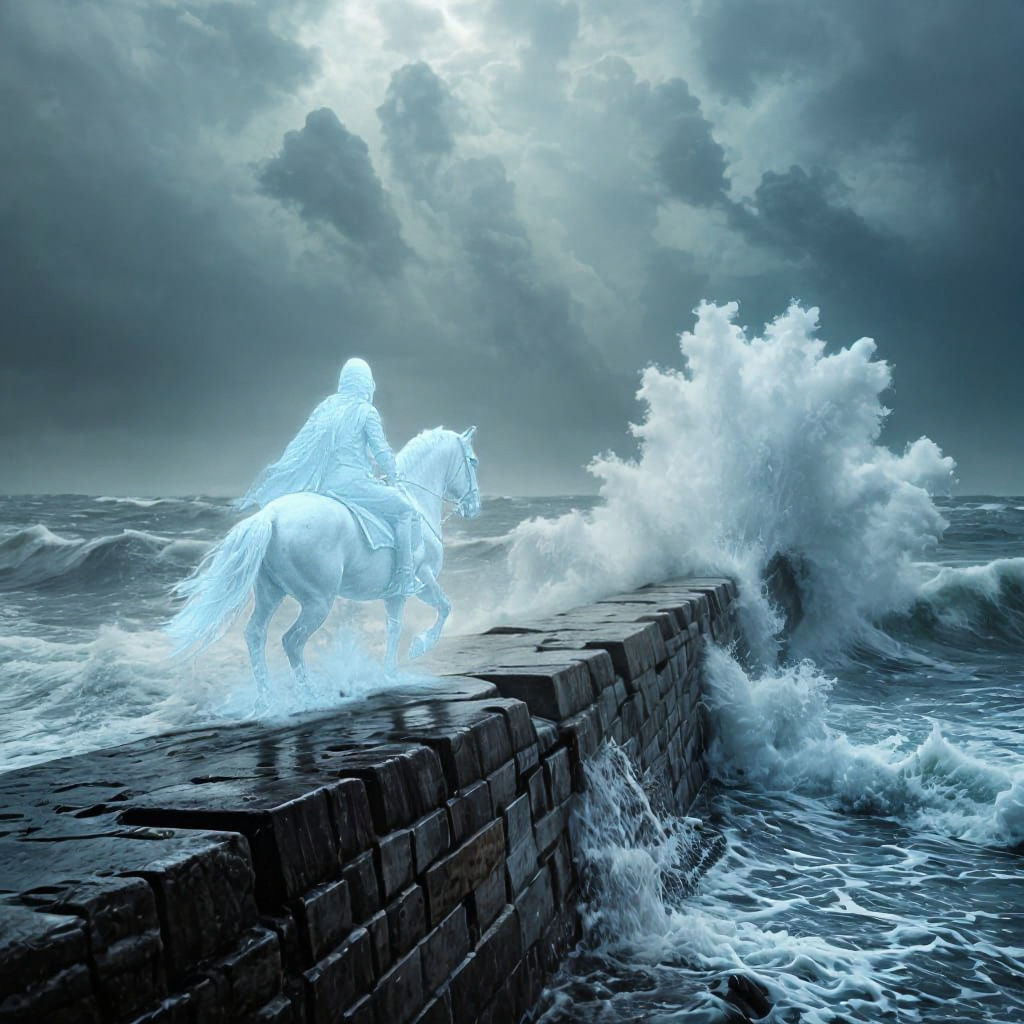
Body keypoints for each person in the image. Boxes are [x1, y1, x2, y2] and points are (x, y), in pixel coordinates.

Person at [238, 357, 421, 596]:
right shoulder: (366, 411)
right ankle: (404, 577)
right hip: (354, 485)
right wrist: (394, 474)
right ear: (366, 383)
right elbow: (381, 451)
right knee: (406, 510)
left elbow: (302, 445)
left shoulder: (325, 408)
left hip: (324, 484)